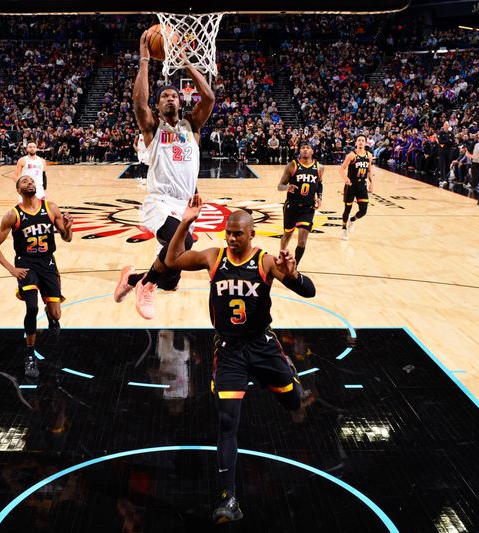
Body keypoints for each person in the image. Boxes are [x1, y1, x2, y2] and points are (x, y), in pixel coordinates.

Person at [164, 199, 316, 524]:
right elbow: (172, 259)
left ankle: (289, 374)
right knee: (227, 423)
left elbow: (309, 292)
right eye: (228, 234)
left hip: (262, 346)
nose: (232, 239)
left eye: (238, 235)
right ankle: (228, 498)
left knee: (294, 402)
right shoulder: (212, 256)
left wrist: (295, 274)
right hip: (229, 350)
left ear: (252, 233)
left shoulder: (266, 260)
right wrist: (185, 222)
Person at [113, 29, 214, 320]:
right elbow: (138, 104)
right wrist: (145, 58)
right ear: (158, 106)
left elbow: (207, 97)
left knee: (173, 273)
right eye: (164, 97)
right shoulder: (153, 129)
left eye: (173, 95)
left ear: (180, 102)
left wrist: (186, 63)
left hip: (184, 203)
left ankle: (133, 279)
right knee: (187, 245)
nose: (169, 98)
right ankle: (145, 285)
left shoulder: (192, 126)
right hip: (159, 201)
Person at [0, 176, 73, 379]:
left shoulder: (51, 207)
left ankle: (51, 313)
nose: (29, 183)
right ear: (18, 190)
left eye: (31, 181)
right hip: (26, 264)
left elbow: (67, 238)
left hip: (47, 263)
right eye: (24, 182)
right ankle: (29, 355)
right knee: (31, 307)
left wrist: (68, 227)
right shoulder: (13, 215)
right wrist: (11, 269)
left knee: (56, 315)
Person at [277, 140, 323, 265]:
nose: (305, 150)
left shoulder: (319, 167)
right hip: (292, 205)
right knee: (287, 234)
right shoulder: (292, 165)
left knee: (302, 241)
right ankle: (281, 256)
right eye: (303, 148)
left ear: (312, 151)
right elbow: (279, 186)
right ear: (299, 150)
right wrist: (287, 187)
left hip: (308, 208)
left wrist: (319, 197)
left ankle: (295, 266)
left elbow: (319, 184)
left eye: (308, 147)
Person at [339, 134, 374, 241]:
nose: (360, 142)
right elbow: (341, 169)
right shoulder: (351, 155)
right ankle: (344, 229)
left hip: (362, 185)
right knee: (347, 209)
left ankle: (352, 220)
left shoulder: (369, 155)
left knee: (363, 211)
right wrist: (346, 178)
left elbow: (369, 170)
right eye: (359, 140)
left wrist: (371, 183)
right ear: (356, 142)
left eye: (363, 140)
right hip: (351, 185)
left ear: (366, 143)